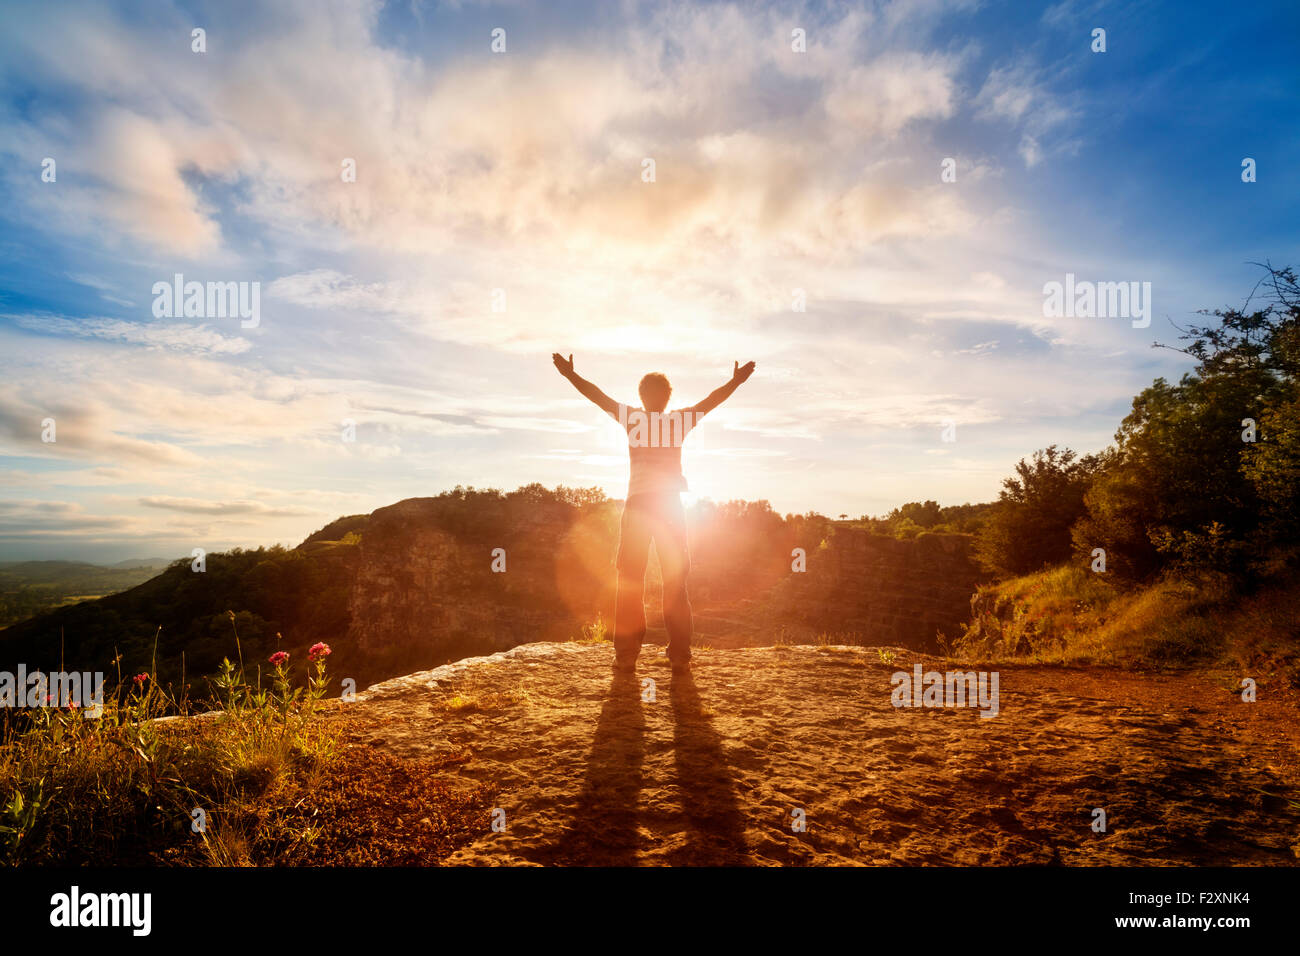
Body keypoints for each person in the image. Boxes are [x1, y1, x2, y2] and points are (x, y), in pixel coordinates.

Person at [552, 353, 756, 674]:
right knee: (675, 581)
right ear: (668, 397)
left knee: (630, 579)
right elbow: (712, 400)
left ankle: (627, 655)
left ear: (642, 397)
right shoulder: (678, 421)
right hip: (670, 507)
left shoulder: (633, 419)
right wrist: (736, 381)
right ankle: (679, 656)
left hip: (638, 508)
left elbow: (597, 396)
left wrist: (569, 375)